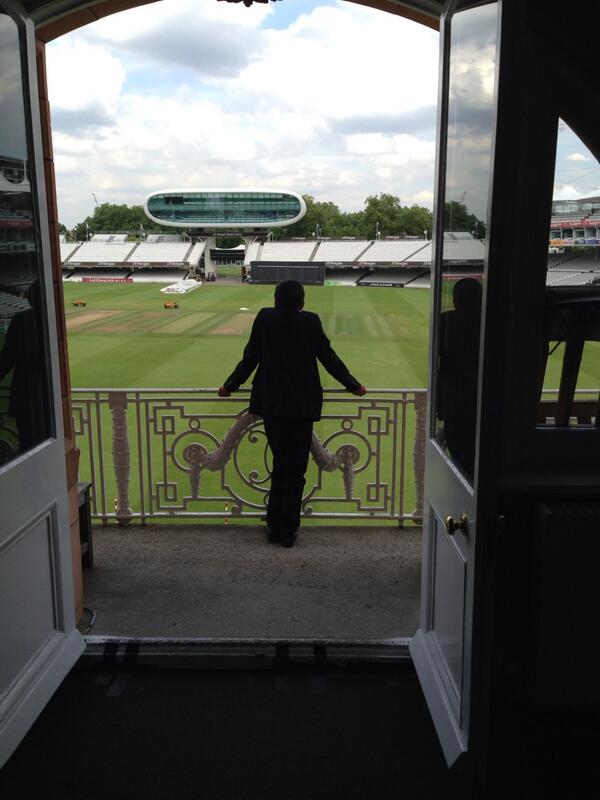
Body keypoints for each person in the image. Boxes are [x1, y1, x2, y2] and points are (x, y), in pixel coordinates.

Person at [218, 279, 366, 547]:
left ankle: (275, 527)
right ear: (302, 302)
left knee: (280, 465)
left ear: (275, 300)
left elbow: (250, 358)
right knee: (296, 470)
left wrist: (230, 385)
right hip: (302, 408)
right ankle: (288, 531)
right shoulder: (310, 321)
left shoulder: (264, 318)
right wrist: (353, 384)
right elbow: (328, 357)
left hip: (272, 406)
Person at [436, 277, 482, 480]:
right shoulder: (490, 323)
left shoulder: (446, 321)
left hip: (454, 406)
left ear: (455, 300)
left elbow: (436, 361)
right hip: (484, 408)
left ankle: (464, 511)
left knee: (460, 470)